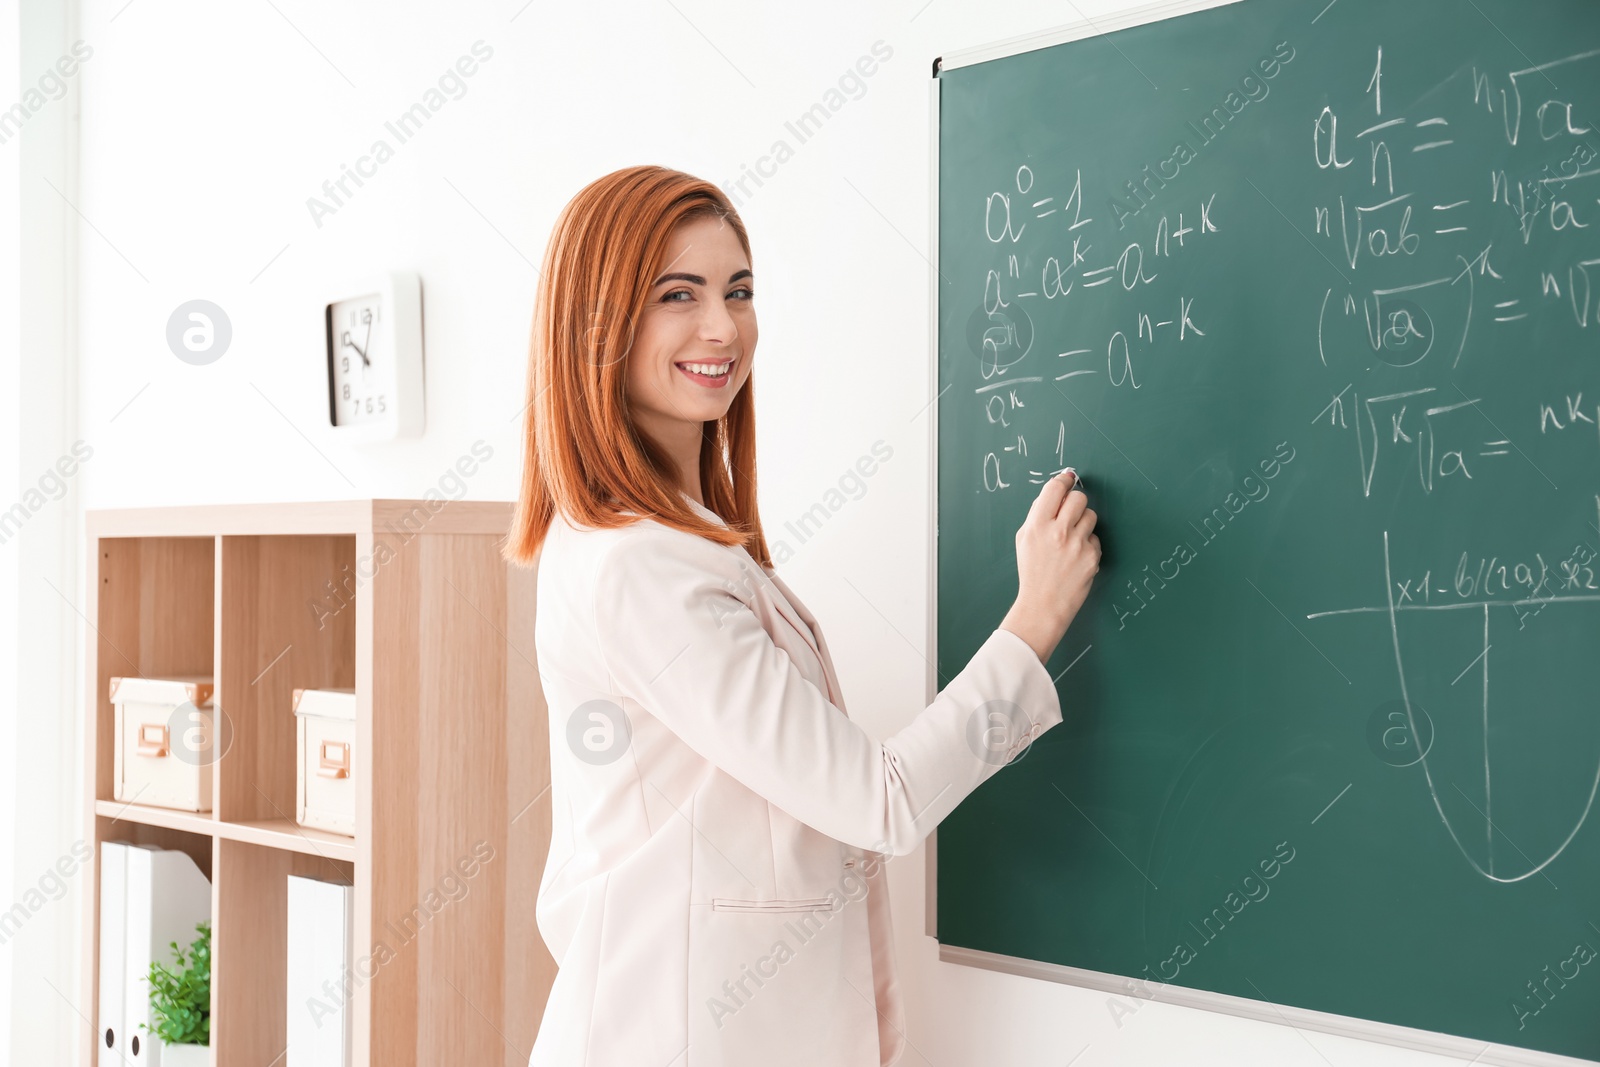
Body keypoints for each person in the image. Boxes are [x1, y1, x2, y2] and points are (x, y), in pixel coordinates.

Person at [502, 164, 1100, 1067]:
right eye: (678, 294)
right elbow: (878, 799)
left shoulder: (674, 542)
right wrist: (1035, 620)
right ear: (598, 324)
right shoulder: (643, 567)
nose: (723, 327)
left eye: (738, 290)